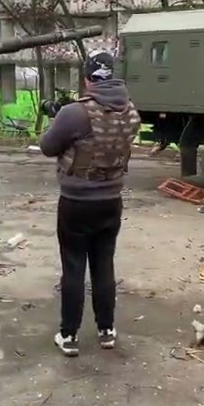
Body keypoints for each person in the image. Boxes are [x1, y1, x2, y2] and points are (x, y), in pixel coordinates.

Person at [38, 50, 141, 357]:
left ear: (87, 79)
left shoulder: (74, 113)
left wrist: (59, 117)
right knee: (103, 264)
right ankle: (106, 330)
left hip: (76, 202)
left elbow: (47, 146)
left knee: (73, 267)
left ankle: (68, 336)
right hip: (111, 201)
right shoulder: (131, 112)